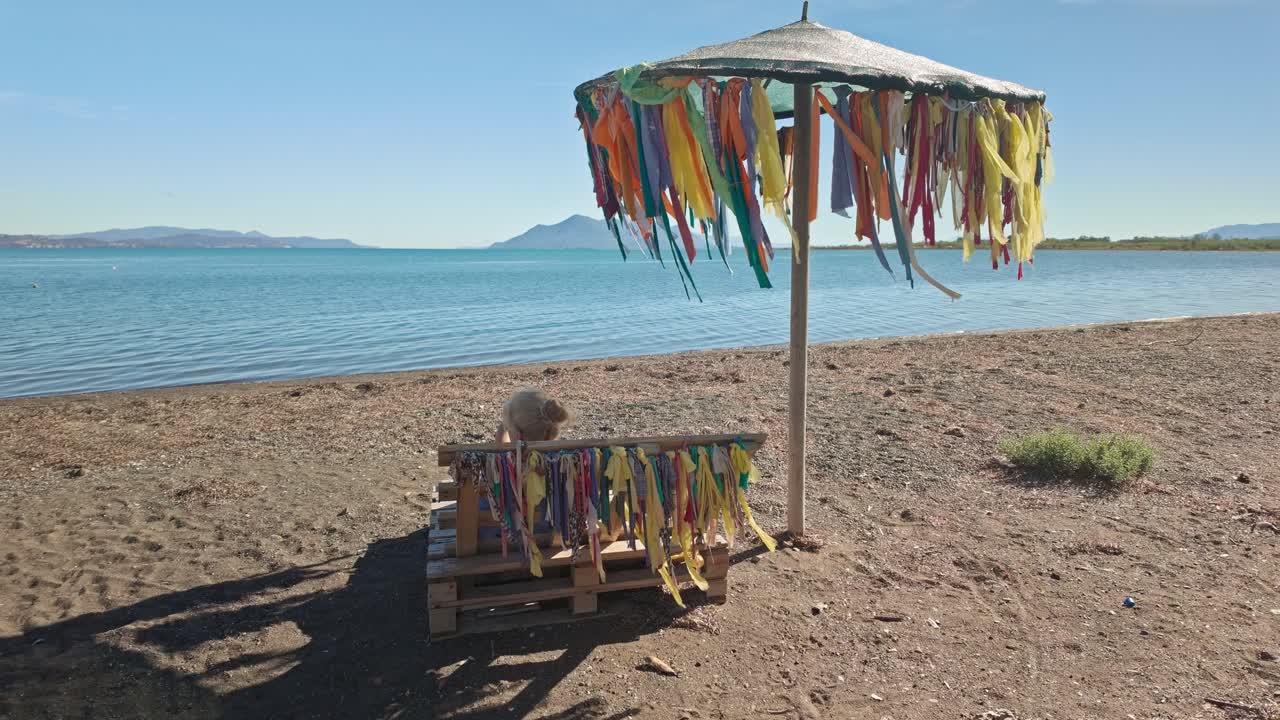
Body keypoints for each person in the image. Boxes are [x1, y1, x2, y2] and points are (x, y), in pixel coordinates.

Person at [495, 388, 571, 443]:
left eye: (509, 429)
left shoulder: (508, 462)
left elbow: (500, 445)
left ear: (518, 436)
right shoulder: (566, 460)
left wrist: (505, 424)